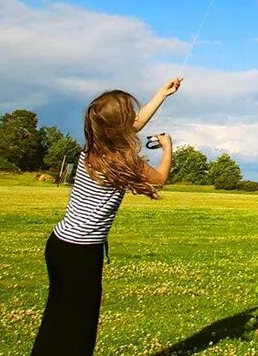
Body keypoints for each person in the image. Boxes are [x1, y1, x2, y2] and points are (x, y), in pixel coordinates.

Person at [30, 78, 182, 355]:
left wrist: (163, 93)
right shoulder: (121, 161)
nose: (134, 120)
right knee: (80, 326)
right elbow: (158, 180)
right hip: (81, 253)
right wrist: (168, 148)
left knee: (56, 318)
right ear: (118, 127)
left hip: (59, 244)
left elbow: (135, 126)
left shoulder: (94, 147)